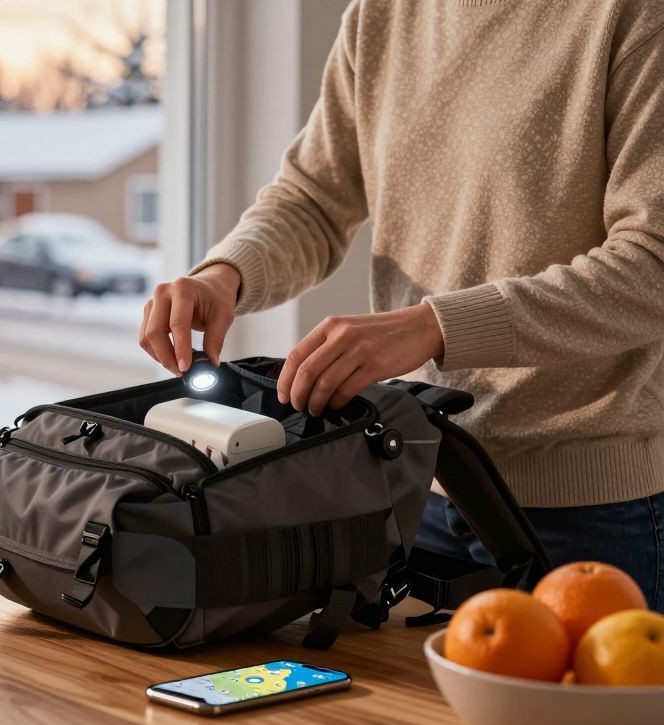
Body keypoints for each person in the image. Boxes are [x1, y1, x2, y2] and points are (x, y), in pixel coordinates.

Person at [139, 0, 664, 608]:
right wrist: (225, 273)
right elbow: (312, 200)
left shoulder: (633, 15)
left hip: (585, 513)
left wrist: (434, 326)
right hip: (415, 480)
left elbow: (652, 261)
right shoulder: (381, 14)